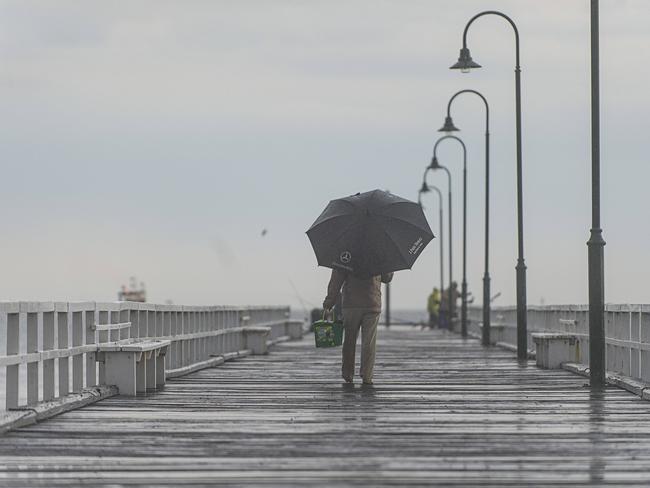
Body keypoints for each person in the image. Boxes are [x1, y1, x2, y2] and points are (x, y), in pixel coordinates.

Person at [323, 269, 393, 385]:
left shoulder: (344, 252)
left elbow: (336, 279)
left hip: (351, 304)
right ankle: (367, 376)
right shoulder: (379, 253)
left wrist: (329, 302)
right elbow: (387, 278)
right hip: (372, 303)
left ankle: (348, 374)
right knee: (369, 343)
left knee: (349, 341)